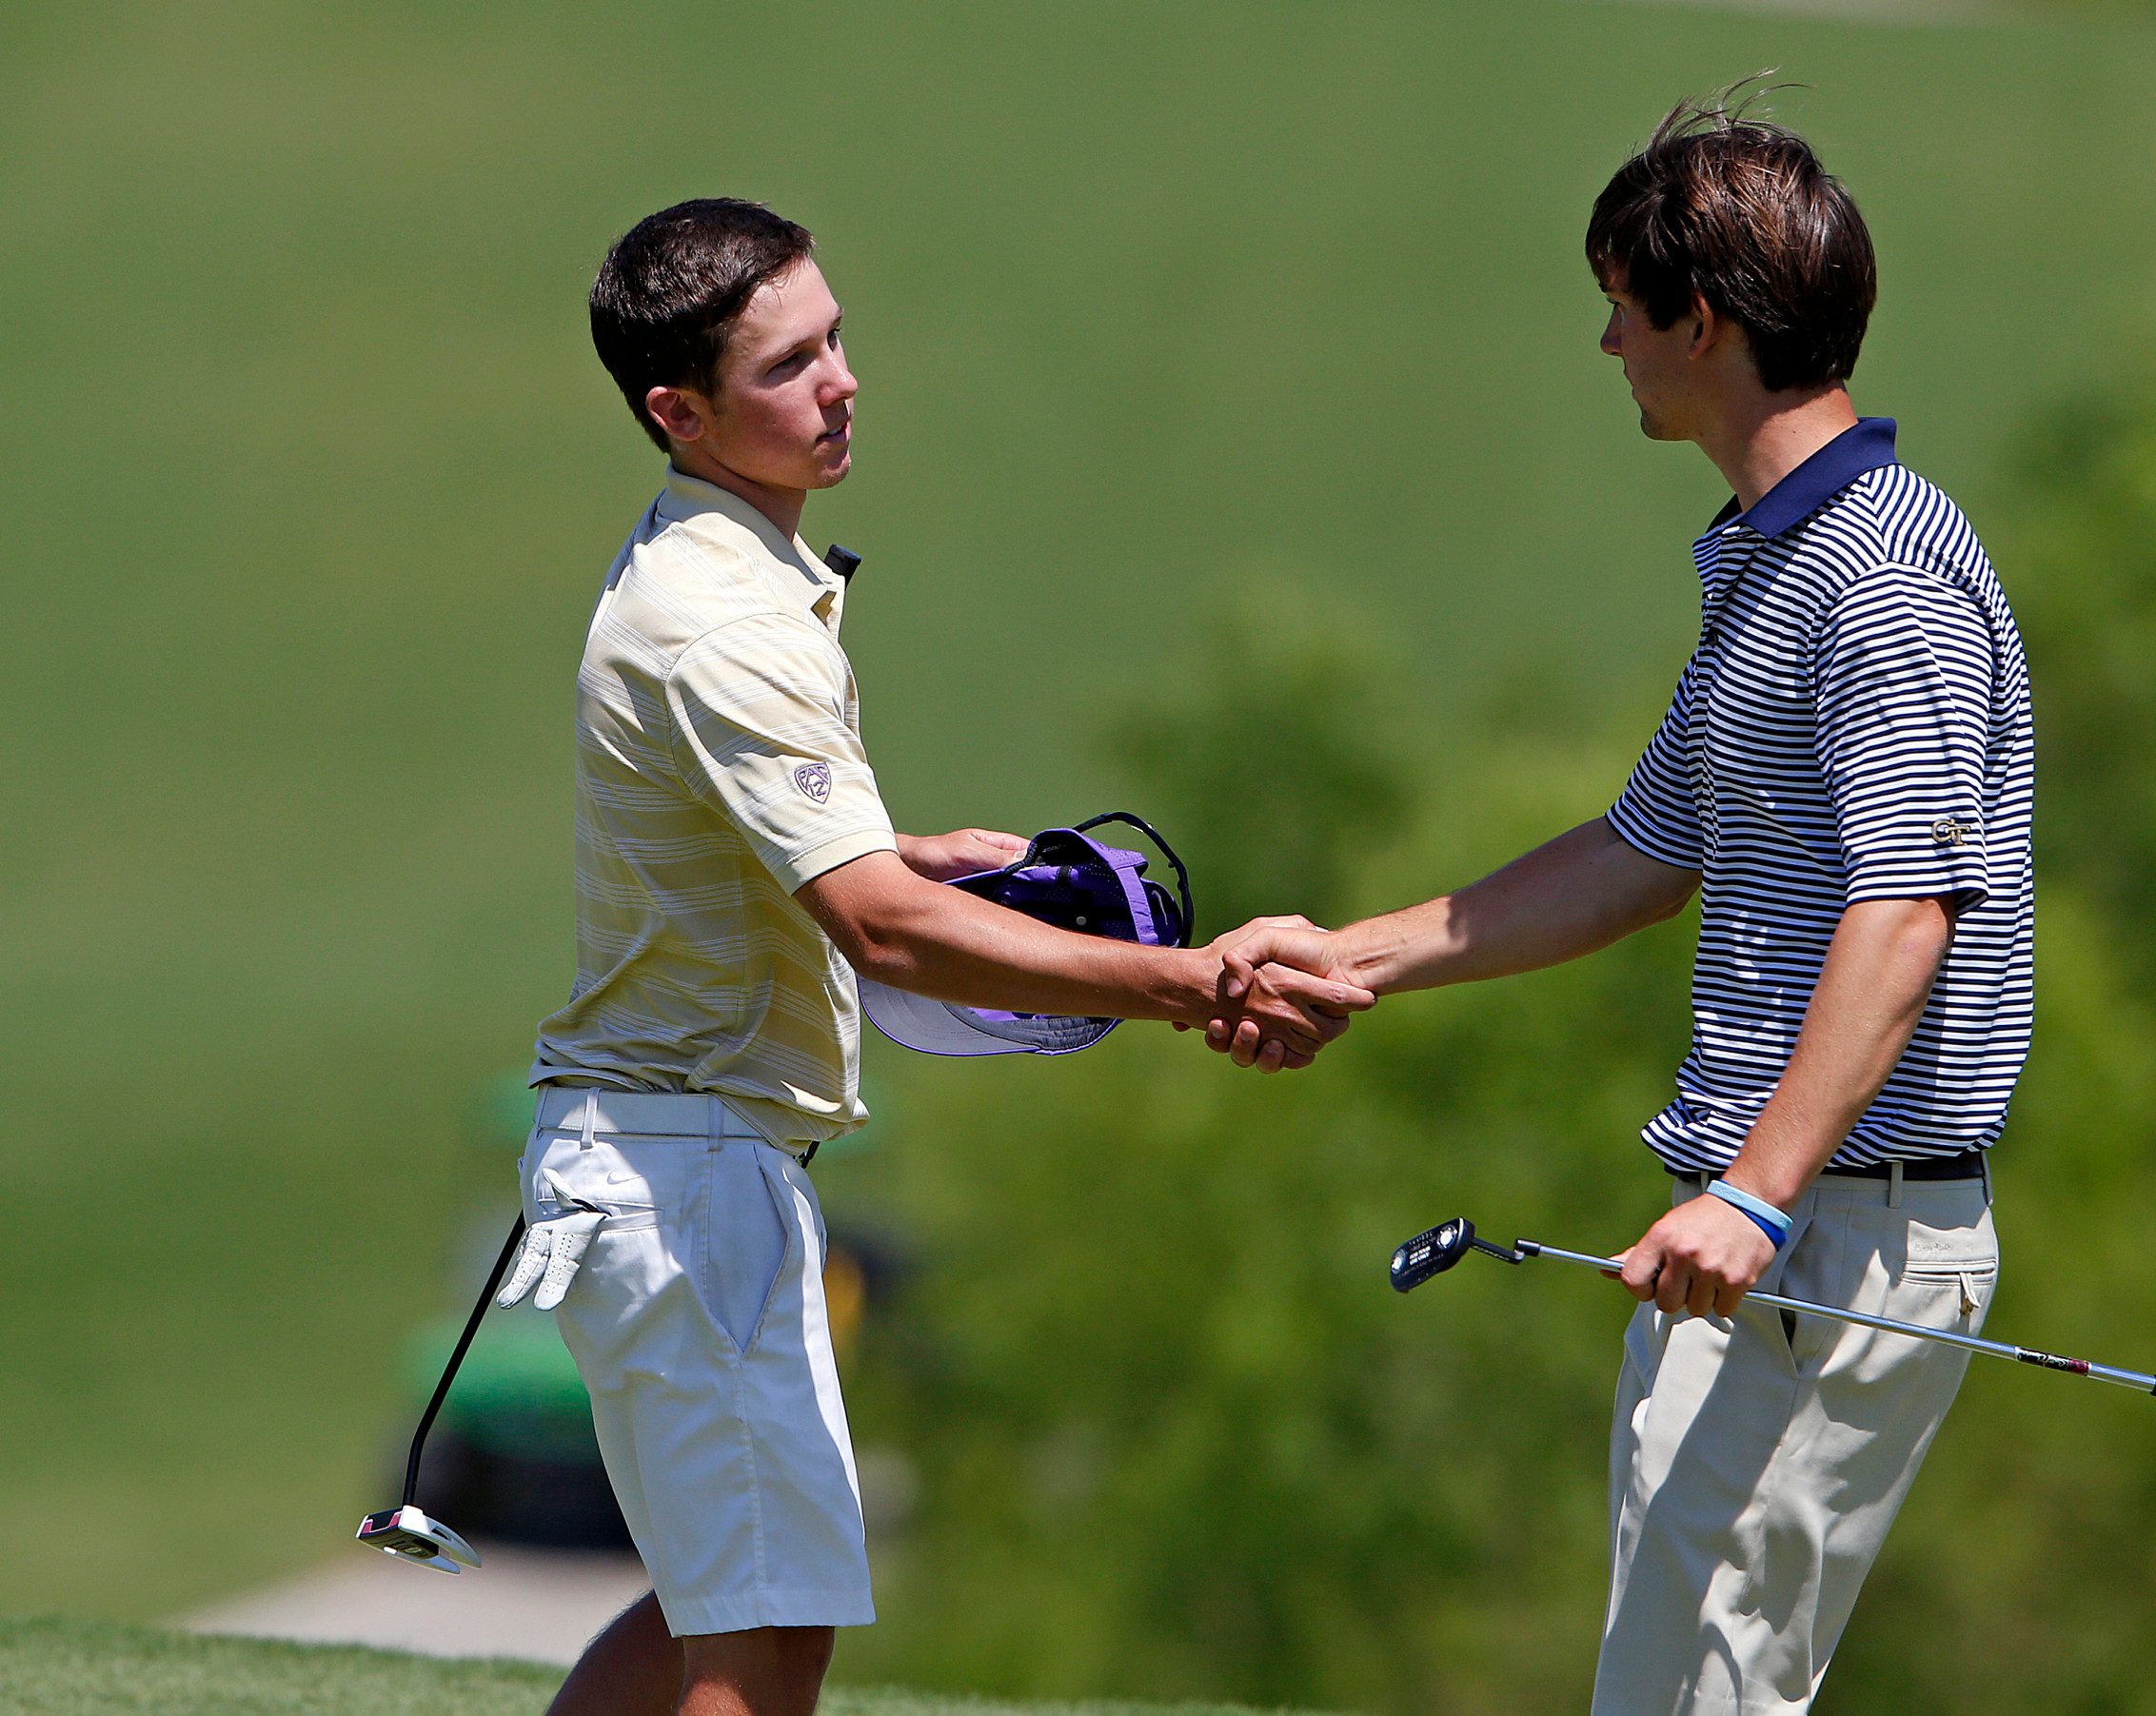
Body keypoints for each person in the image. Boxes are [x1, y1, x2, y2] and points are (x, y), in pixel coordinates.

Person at [1219, 97, 2031, 1713]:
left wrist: (1760, 1195)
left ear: (1703, 322)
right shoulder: (1777, 558)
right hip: (1774, 1241)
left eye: (1621, 303)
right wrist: (1350, 956)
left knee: (1701, 1698)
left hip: (1829, 1240)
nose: (1605, 341)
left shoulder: (1875, 576)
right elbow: (1645, 853)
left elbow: (1910, 911)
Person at [524, 199, 1372, 1716]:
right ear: (680, 411)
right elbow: (881, 930)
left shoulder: (711, 576)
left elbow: (812, 875)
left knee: (734, 1611)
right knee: (758, 1639)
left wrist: (898, 851)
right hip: (685, 1172)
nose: (842, 379)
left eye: (836, 336)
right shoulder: (725, 620)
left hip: (678, 1159)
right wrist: (1195, 985)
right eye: (789, 365)